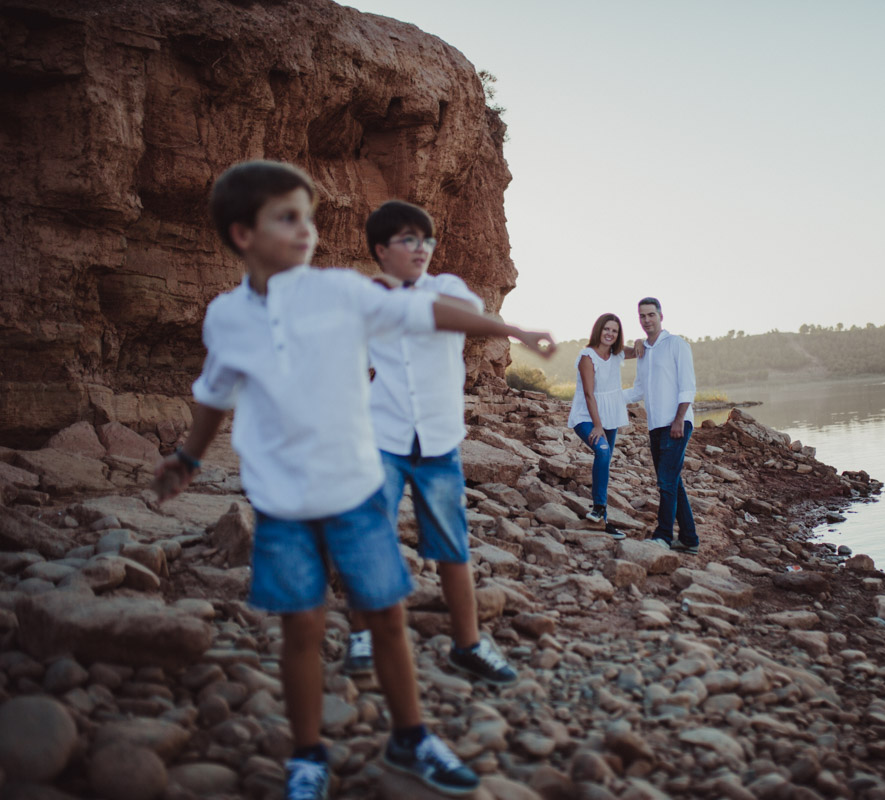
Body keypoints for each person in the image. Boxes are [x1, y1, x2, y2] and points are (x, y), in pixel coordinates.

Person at [152, 161, 554, 800]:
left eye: (307, 217)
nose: (305, 230)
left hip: (356, 495)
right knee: (302, 628)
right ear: (242, 234)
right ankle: (308, 754)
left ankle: (411, 735)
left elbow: (431, 316)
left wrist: (515, 331)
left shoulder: (341, 292)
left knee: (387, 617)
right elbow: (214, 392)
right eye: (287, 218)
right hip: (281, 504)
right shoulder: (225, 317)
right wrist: (189, 459)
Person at [341, 200, 524, 686]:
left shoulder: (447, 287)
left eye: (426, 239)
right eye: (407, 240)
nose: (421, 248)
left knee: (451, 549)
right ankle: (361, 637)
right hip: (384, 438)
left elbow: (459, 316)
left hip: (439, 443)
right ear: (381, 249)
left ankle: (467, 647)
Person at [623, 297, 700, 554]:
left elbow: (688, 386)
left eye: (651, 315)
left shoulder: (677, 345)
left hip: (676, 423)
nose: (647, 320)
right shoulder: (644, 351)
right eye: (642, 316)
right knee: (672, 481)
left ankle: (663, 536)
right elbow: (638, 390)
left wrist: (679, 419)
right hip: (655, 426)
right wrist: (607, 398)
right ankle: (689, 539)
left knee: (666, 482)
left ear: (661, 316)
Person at [566, 313, 635, 539]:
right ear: (599, 330)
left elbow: (640, 351)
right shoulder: (587, 356)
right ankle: (598, 508)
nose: (610, 334)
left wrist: (644, 343)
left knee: (605, 461)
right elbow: (588, 393)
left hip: (610, 415)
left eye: (614, 331)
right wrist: (597, 426)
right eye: (607, 329)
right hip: (587, 416)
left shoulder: (617, 354)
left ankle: (602, 522)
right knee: (603, 451)